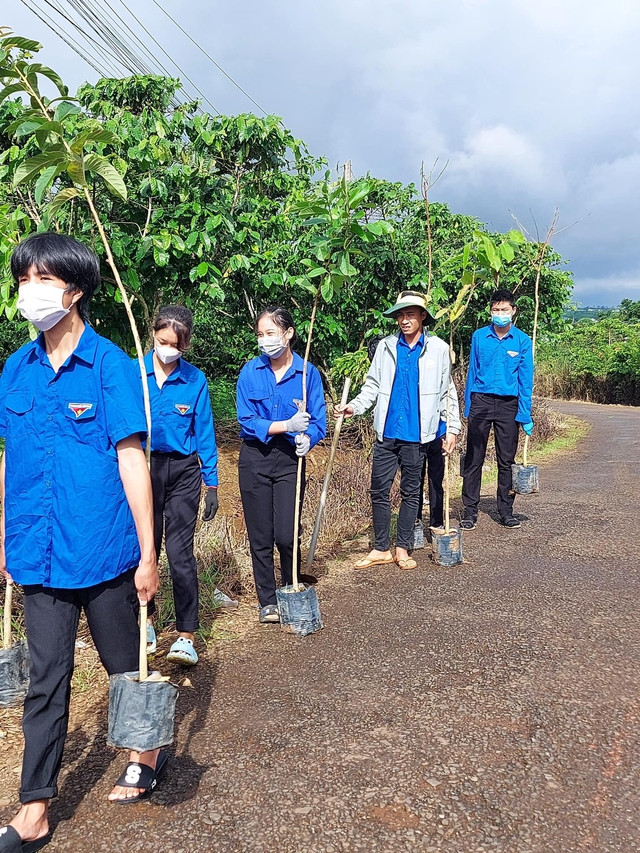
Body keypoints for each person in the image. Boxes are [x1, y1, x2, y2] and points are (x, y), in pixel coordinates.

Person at [0, 233, 164, 851]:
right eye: (23, 279)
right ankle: (35, 807)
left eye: (42, 279)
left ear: (74, 291)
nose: (29, 291)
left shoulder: (111, 366)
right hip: (38, 552)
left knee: (124, 666)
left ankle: (146, 752)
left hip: (102, 550)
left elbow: (131, 459)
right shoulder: (15, 369)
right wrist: (4, 533)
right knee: (46, 679)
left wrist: (147, 554)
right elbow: (11, 456)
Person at [335, 290, 461, 570]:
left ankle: (402, 549)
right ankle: (381, 548)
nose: (404, 320)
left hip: (417, 435)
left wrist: (452, 428)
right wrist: (354, 406)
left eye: (410, 314)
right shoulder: (386, 347)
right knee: (379, 490)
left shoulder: (438, 349)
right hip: (387, 432)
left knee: (411, 493)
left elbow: (447, 392)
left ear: (422, 317)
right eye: (400, 315)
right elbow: (372, 385)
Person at [236, 307, 326, 623]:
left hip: (290, 458)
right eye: (260, 334)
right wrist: (286, 425)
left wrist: (308, 438)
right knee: (260, 535)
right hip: (255, 457)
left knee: (287, 534)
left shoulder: (307, 374)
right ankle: (267, 601)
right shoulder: (250, 372)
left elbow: (319, 421)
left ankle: (291, 587)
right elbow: (246, 420)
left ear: (288, 334)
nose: (265, 340)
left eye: (271, 333)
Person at [144, 305, 219, 667]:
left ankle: (186, 634)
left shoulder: (194, 380)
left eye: (176, 345)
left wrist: (212, 483)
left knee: (179, 554)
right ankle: (145, 620)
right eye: (162, 341)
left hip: (183, 472)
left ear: (186, 344)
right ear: (153, 335)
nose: (168, 349)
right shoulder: (133, 375)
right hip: (144, 469)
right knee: (144, 549)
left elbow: (204, 432)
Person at [460, 288, 534, 530]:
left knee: (506, 460)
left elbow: (525, 380)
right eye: (495, 310)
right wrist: (468, 406)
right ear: (490, 311)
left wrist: (524, 413)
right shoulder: (479, 337)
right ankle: (469, 511)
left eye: (504, 309)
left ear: (513, 311)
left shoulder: (522, 341)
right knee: (474, 458)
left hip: (508, 405)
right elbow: (472, 371)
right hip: (481, 401)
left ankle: (506, 510)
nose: (500, 313)